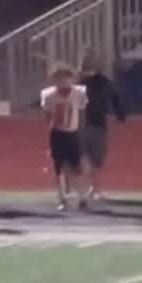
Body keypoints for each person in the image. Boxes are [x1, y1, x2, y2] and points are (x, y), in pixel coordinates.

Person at [39, 66, 89, 212]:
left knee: (78, 167)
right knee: (58, 168)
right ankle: (62, 199)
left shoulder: (78, 93)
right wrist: (50, 132)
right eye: (59, 78)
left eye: (66, 78)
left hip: (73, 132)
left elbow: (82, 111)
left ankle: (83, 197)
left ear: (72, 79)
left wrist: (81, 130)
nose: (63, 81)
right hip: (57, 133)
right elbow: (47, 115)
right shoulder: (49, 95)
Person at [78, 53, 124, 208]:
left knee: (97, 160)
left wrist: (120, 114)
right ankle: (82, 191)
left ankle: (95, 188)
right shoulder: (77, 81)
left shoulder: (104, 82)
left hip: (98, 124)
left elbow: (114, 97)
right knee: (83, 160)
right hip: (79, 124)